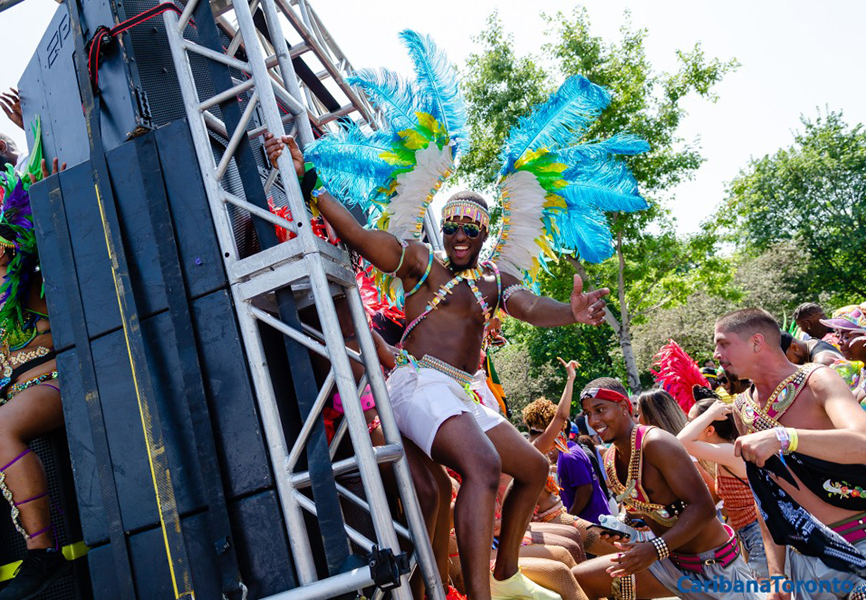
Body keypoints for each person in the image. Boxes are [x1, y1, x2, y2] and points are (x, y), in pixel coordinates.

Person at [265, 136, 609, 600]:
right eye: (451, 227)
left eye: (470, 229)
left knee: (531, 466)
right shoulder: (420, 262)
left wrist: (571, 313)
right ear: (442, 230)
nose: (460, 236)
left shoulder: (495, 280)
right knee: (482, 466)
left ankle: (506, 574)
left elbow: (529, 307)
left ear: (485, 234)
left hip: (463, 393)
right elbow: (359, 236)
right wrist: (310, 181)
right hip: (417, 384)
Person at [715, 307, 866, 599]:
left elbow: (862, 442)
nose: (717, 354)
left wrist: (784, 437)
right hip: (803, 561)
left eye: (723, 343)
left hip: (858, 543)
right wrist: (776, 575)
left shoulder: (817, 380)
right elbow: (766, 496)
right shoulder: (743, 408)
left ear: (756, 342)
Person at [571, 378, 759, 599]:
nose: (593, 421)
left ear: (623, 406)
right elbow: (643, 512)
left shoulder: (656, 442)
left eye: (600, 410)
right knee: (581, 578)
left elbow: (704, 507)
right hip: (669, 563)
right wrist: (616, 528)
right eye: (587, 413)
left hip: (715, 566)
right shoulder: (611, 457)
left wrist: (654, 548)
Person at [0, 157, 69, 600]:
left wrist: (51, 197)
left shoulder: (29, 274)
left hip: (60, 381)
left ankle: (41, 551)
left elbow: (66, 244)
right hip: (14, 400)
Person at [678, 395, 769, 580]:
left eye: (690, 421)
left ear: (710, 429)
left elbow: (681, 442)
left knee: (761, 590)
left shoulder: (731, 451)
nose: (687, 426)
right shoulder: (724, 453)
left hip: (759, 535)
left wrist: (711, 413)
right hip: (750, 534)